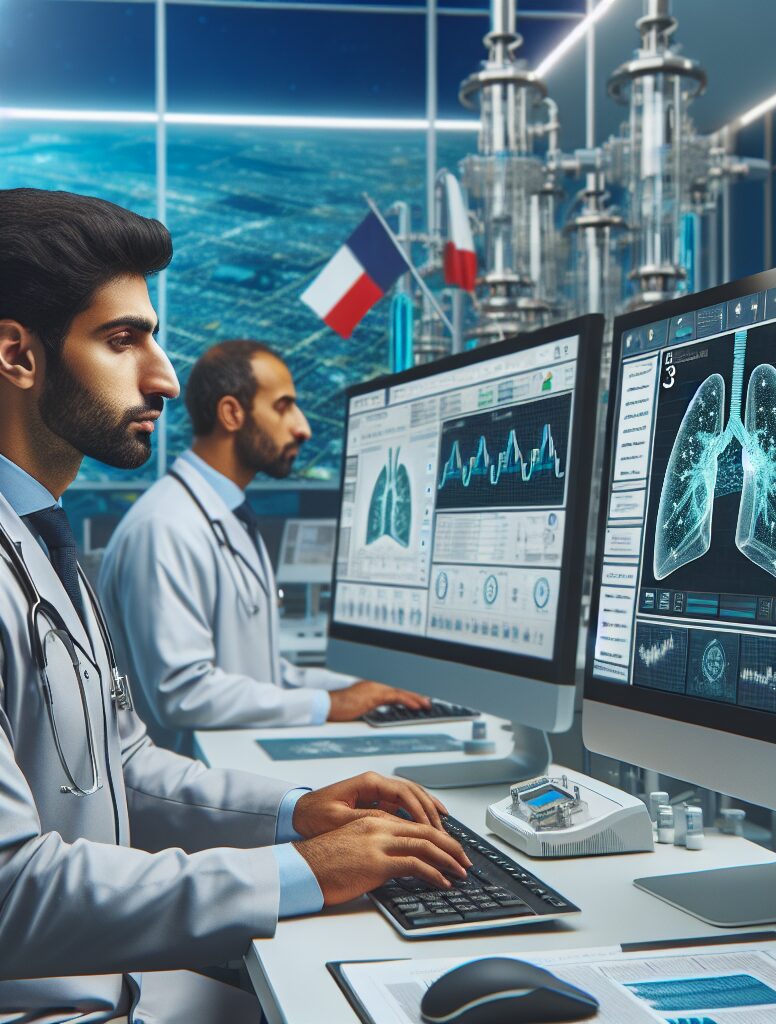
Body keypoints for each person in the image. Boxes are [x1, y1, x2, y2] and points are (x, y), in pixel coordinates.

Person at [0, 188, 470, 1023]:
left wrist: (297, 815)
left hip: (108, 978)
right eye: (123, 340)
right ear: (18, 356)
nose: (165, 377)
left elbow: (123, 765)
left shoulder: (39, 542)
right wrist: (302, 873)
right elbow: (9, 893)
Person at [99, 338, 430, 753]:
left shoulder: (225, 514)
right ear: (232, 414)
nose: (302, 427)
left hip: (232, 770)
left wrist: (362, 691)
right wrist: (330, 704)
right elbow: (184, 694)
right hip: (186, 794)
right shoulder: (165, 527)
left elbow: (262, 677)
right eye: (283, 406)